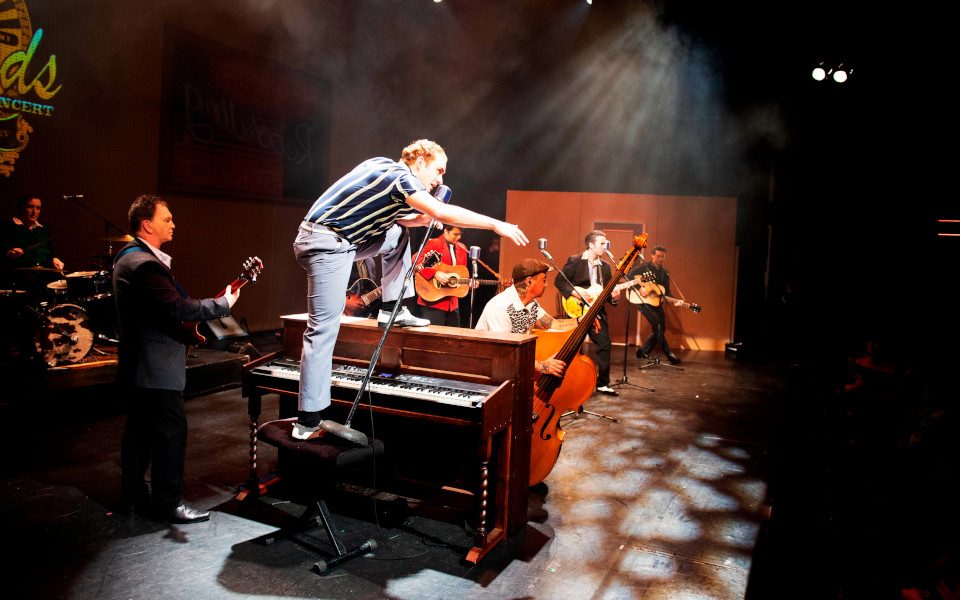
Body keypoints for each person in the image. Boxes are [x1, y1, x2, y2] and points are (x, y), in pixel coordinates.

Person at [293, 139, 528, 440]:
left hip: (343, 240)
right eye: (438, 171)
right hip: (326, 245)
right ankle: (307, 421)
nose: (440, 180)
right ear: (420, 162)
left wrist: (419, 219)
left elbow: (392, 217)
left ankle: (392, 309)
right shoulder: (400, 176)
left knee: (395, 234)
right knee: (322, 329)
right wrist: (497, 225)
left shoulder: (382, 166)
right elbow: (442, 212)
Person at [112, 194, 240, 523]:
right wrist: (223, 304)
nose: (173, 224)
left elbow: (157, 313)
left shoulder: (130, 258)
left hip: (140, 365)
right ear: (146, 224)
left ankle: (132, 498)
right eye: (166, 219)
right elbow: (177, 308)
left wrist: (187, 331)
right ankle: (169, 504)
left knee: (139, 434)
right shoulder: (144, 264)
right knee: (171, 434)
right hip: (155, 367)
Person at [554, 230, 620, 396]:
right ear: (591, 244)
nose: (605, 247)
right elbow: (559, 281)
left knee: (605, 345)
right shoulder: (575, 261)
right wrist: (578, 293)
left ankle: (602, 383)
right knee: (573, 348)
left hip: (597, 312)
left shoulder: (605, 267)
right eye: (602, 243)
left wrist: (615, 297)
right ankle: (565, 380)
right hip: (577, 310)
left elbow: (607, 295)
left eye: (606, 243)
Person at [475, 258, 566, 378]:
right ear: (528, 282)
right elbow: (505, 351)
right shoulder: (501, 306)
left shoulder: (532, 304)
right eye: (543, 280)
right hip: (489, 368)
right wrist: (542, 367)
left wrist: (581, 321)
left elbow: (554, 325)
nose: (547, 284)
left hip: (512, 365)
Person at [627, 245, 682, 364]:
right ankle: (669, 353)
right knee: (657, 326)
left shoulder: (665, 272)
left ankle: (643, 351)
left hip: (657, 302)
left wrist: (673, 300)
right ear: (652, 255)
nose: (661, 259)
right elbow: (628, 277)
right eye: (658, 256)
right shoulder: (644, 267)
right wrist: (639, 288)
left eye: (663, 257)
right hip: (643, 302)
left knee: (661, 327)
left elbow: (666, 290)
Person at [414, 224, 471, 326]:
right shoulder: (434, 243)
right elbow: (416, 261)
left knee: (453, 339)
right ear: (446, 231)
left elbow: (461, 273)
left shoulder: (462, 248)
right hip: (432, 299)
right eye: (455, 234)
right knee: (434, 339)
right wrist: (435, 273)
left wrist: (468, 283)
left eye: (460, 234)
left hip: (452, 302)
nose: (459, 237)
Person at [1, 195, 65, 272]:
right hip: (19, 274)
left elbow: (50, 252)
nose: (34, 211)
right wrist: (9, 253)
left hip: (43, 272)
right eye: (30, 207)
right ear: (21, 208)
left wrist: (55, 259)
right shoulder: (7, 226)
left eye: (38, 208)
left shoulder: (43, 229)